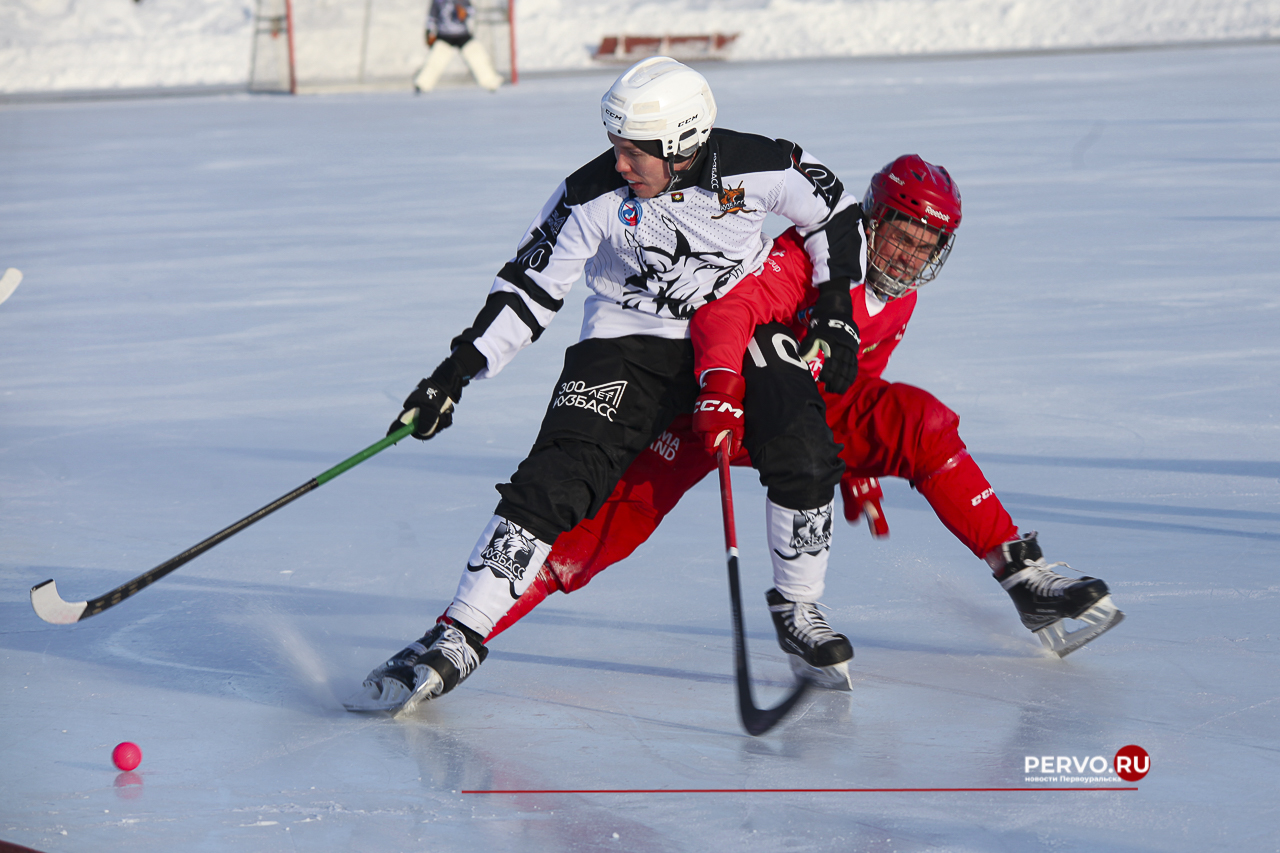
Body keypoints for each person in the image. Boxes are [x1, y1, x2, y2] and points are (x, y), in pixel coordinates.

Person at [347, 57, 866, 713]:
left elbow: (835, 212)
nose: (618, 163)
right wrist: (455, 373)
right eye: (614, 144)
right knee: (555, 478)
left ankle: (798, 605)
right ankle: (461, 631)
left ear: (681, 145)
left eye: (633, 151)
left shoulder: (758, 163)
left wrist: (835, 309)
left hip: (740, 324)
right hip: (628, 340)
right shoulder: (588, 194)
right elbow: (530, 289)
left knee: (805, 448)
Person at [481, 154, 1125, 674]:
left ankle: (1022, 576)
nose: (909, 257)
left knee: (923, 424)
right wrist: (718, 391)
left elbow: (856, 383)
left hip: (803, 422)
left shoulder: (900, 299)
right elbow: (727, 313)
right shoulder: (806, 259)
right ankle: (464, 633)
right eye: (902, 237)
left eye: (925, 247)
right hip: (722, 409)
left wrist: (858, 465)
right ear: (872, 220)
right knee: (600, 537)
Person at [413, 0, 503, 93]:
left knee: (476, 56)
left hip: (462, 34)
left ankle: (491, 82)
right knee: (436, 59)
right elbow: (431, 17)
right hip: (444, 35)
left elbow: (472, 10)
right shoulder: (437, 1)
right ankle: (422, 84)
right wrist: (429, 31)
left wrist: (465, 12)